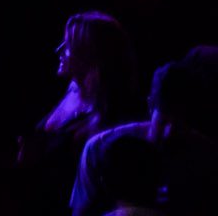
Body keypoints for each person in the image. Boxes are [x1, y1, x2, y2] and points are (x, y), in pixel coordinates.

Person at [68, 45, 218, 216]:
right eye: (163, 122)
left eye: (180, 125)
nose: (169, 133)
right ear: (150, 107)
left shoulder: (207, 158)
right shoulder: (100, 149)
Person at [16, 14, 140, 215]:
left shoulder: (113, 114)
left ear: (91, 54)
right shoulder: (71, 91)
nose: (59, 50)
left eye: (68, 45)